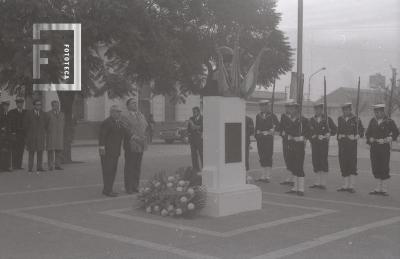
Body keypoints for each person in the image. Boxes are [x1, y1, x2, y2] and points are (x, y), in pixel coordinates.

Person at [366, 104, 399, 196]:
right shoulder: (372, 121)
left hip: (384, 147)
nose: (377, 114)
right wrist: (370, 139)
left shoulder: (389, 121)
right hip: (374, 147)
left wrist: (389, 138)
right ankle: (377, 188)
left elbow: (396, 132)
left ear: (383, 112)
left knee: (384, 166)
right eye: (376, 112)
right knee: (375, 166)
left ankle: (384, 189)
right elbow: (367, 133)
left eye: (379, 112)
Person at [121, 98, 148, 194]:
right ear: (128, 106)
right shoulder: (124, 116)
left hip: (140, 144)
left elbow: (145, 125)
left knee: (137, 166)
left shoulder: (140, 115)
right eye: (132, 103)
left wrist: (142, 136)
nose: (135, 105)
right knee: (130, 166)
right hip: (130, 144)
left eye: (136, 103)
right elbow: (125, 129)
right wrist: (134, 136)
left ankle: (135, 186)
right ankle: (128, 187)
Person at [337, 102, 364, 193]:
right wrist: (339, 136)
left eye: (347, 109)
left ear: (350, 110)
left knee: (352, 164)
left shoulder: (356, 119)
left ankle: (351, 186)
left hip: (351, 145)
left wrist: (356, 136)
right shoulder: (340, 119)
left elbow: (361, 130)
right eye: (344, 110)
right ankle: (345, 185)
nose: (345, 111)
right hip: (342, 145)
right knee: (343, 163)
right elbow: (338, 130)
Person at [309, 103, 337, 190]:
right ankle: (317, 182)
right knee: (315, 161)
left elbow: (335, 130)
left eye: (319, 109)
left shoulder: (327, 119)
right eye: (316, 109)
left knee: (323, 161)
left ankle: (323, 183)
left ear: (322, 110)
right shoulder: (312, 120)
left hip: (323, 144)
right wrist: (312, 136)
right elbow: (308, 131)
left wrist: (327, 135)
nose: (317, 111)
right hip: (315, 144)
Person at [285, 103, 311, 196]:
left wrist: (303, 138)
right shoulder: (289, 120)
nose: (290, 110)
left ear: (297, 110)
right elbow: (287, 130)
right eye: (290, 109)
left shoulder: (303, 120)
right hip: (291, 145)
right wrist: (289, 136)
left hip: (299, 146)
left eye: (292, 109)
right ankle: (295, 187)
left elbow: (309, 132)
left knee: (299, 166)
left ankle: (301, 189)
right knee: (293, 166)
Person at [99, 105, 125, 197]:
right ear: (112, 112)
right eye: (117, 112)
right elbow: (102, 136)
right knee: (108, 171)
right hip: (107, 152)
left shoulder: (118, 122)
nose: (119, 114)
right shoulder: (107, 122)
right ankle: (107, 190)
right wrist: (102, 149)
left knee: (113, 171)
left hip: (115, 151)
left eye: (120, 112)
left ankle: (109, 189)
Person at [254, 100, 279, 183]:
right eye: (261, 106)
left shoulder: (272, 116)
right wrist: (257, 135)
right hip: (260, 138)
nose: (262, 108)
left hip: (268, 138)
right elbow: (257, 127)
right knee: (261, 155)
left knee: (268, 155)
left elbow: (278, 126)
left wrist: (273, 130)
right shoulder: (258, 116)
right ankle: (262, 175)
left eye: (264, 106)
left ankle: (267, 176)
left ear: (267, 107)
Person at [24, 99, 48, 172]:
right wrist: (28, 136)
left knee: (40, 152)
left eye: (40, 105)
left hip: (40, 137)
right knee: (31, 152)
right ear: (34, 105)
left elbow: (46, 125)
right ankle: (30, 168)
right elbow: (25, 125)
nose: (39, 106)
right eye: (37, 105)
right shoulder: (28, 114)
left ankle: (39, 167)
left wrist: (43, 133)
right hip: (31, 137)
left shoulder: (43, 114)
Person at [8, 97, 27, 170]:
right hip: (15, 134)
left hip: (22, 134)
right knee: (14, 150)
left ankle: (19, 165)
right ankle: (14, 165)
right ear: (16, 104)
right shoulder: (12, 112)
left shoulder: (26, 112)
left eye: (22, 103)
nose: (20, 104)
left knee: (21, 150)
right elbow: (9, 123)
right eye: (19, 103)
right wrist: (12, 132)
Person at [279, 101, 295, 186]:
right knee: (287, 157)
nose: (287, 109)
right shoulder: (283, 116)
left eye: (289, 107)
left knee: (293, 158)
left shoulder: (296, 117)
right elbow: (281, 127)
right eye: (286, 107)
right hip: (285, 140)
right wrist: (282, 133)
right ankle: (289, 177)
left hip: (293, 141)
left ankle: (293, 177)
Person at [46, 100, 65, 171]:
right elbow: (46, 125)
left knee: (58, 151)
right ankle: (50, 166)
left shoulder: (62, 114)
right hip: (51, 135)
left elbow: (63, 124)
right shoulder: (48, 114)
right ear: (52, 106)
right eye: (55, 105)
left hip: (59, 135)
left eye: (57, 105)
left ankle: (58, 165)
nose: (56, 107)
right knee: (50, 151)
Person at [187, 106, 203, 172]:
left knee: (201, 154)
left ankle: (204, 168)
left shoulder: (202, 118)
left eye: (195, 112)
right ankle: (196, 169)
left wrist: (194, 126)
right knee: (193, 155)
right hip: (192, 139)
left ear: (198, 112)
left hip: (200, 139)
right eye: (193, 112)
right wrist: (189, 136)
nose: (194, 113)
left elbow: (201, 128)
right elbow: (189, 129)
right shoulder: (191, 118)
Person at [0, 101, 12, 172]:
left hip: (8, 135)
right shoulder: (0, 115)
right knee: (2, 151)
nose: (6, 107)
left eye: (7, 106)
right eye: (5, 106)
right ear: (2, 106)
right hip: (1, 136)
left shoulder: (9, 114)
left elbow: (11, 124)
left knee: (8, 151)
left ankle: (7, 166)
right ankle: (1, 167)